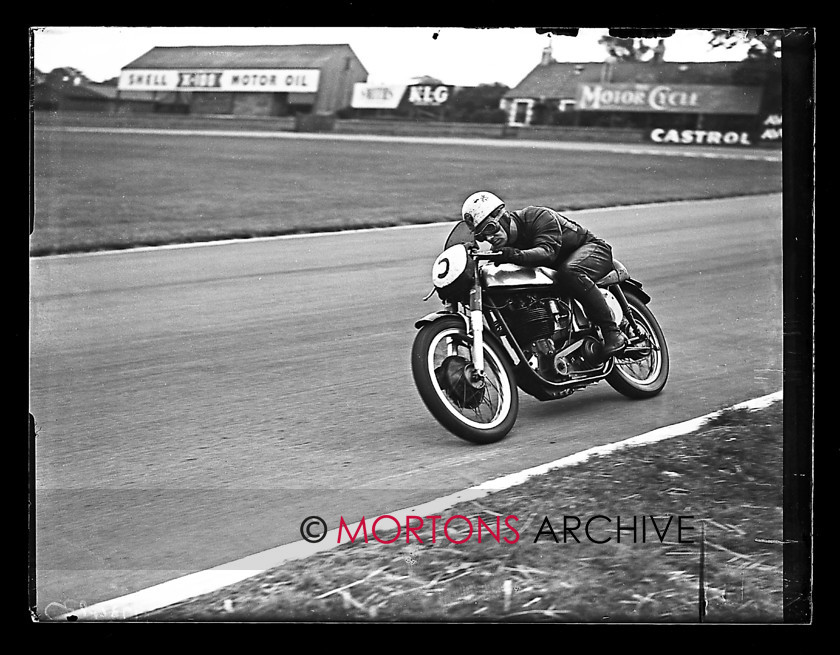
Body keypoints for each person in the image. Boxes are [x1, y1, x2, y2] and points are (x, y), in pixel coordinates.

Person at [461, 191, 627, 356]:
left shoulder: (538, 216)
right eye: (482, 236)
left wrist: (514, 255)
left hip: (591, 250)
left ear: (503, 216)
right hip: (557, 273)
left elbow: (548, 252)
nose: (489, 237)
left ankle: (612, 332)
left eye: (491, 228)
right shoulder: (501, 248)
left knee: (570, 272)